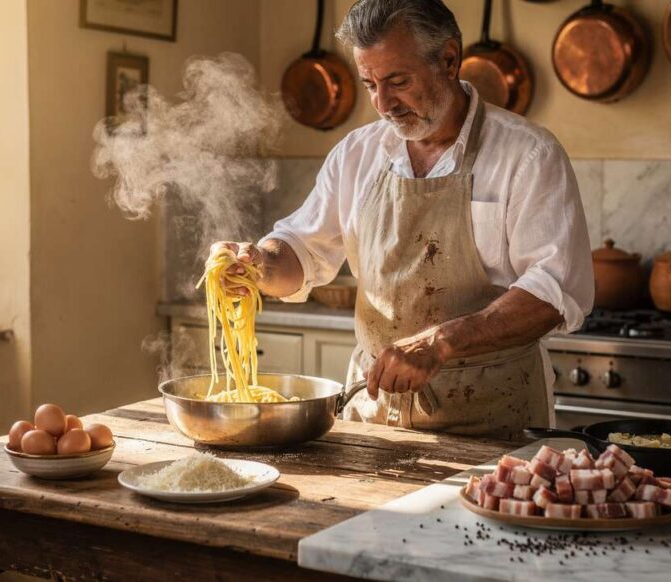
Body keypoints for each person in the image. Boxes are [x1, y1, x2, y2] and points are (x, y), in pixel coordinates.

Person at [211, 0, 593, 438]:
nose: (383, 103)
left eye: (398, 81)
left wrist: (439, 343)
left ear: (449, 60)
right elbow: (300, 246)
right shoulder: (356, 153)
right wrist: (258, 263)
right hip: (376, 414)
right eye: (370, 83)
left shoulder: (528, 155)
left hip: (494, 415)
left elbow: (553, 292)